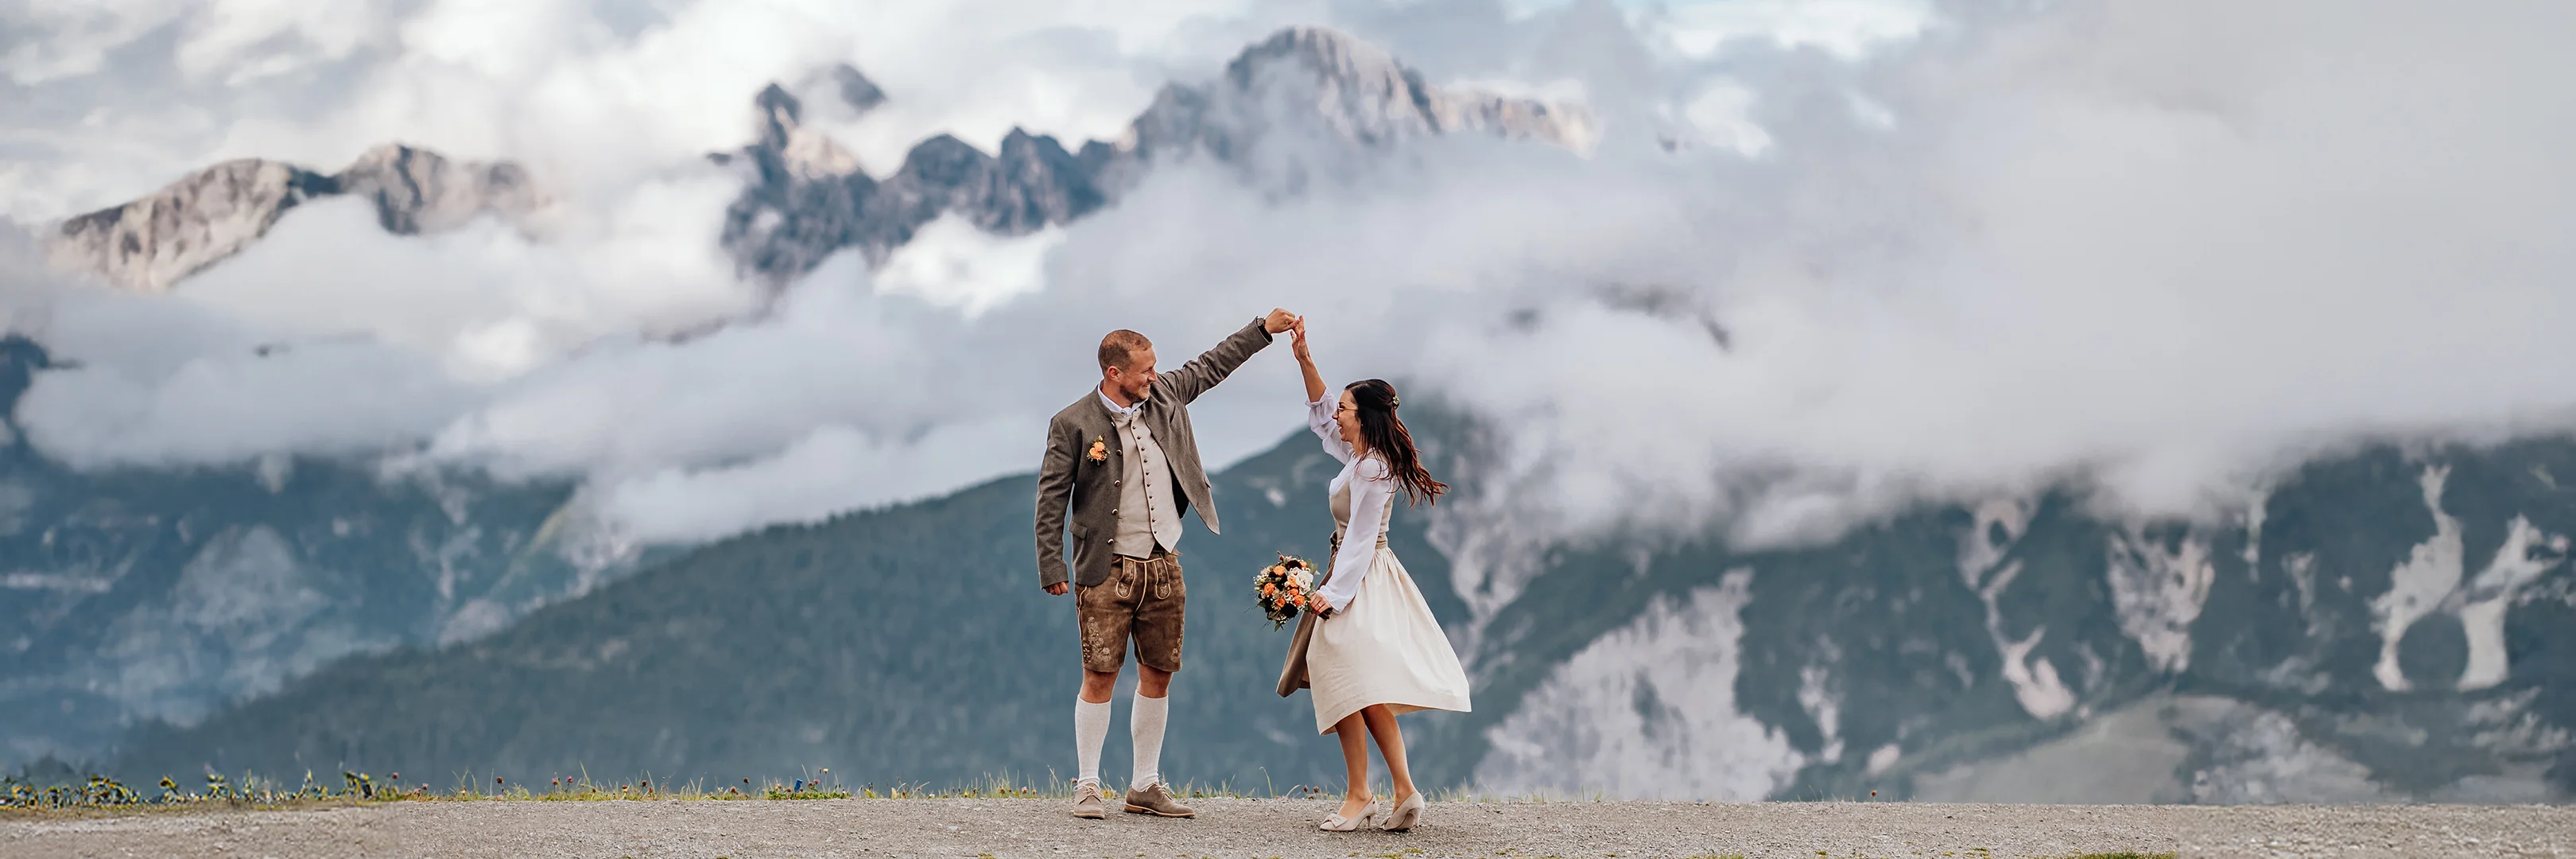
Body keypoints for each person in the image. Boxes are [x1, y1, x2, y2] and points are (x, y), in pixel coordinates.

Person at [1034, 309, 1299, 820]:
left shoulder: (1165, 396)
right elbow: (1051, 501)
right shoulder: (1071, 424)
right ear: (1114, 373)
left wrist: (1263, 330)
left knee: (1159, 673)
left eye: (1155, 368)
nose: (1153, 376)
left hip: (1163, 560)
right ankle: (1087, 785)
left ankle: (1144, 785)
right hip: (1104, 568)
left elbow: (1212, 364)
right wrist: (1052, 566)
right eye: (1144, 370)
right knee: (1100, 675)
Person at [1285, 318, 1471, 833]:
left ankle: (1360, 794)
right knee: (1362, 685)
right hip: (1355, 570)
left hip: (1362, 575)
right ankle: (1404, 790)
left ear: (1363, 417)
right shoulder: (1360, 455)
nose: (1337, 416)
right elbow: (1322, 417)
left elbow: (1363, 537)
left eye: (1346, 409)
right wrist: (1304, 360)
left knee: (1337, 667)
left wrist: (1332, 594)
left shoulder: (1372, 468)